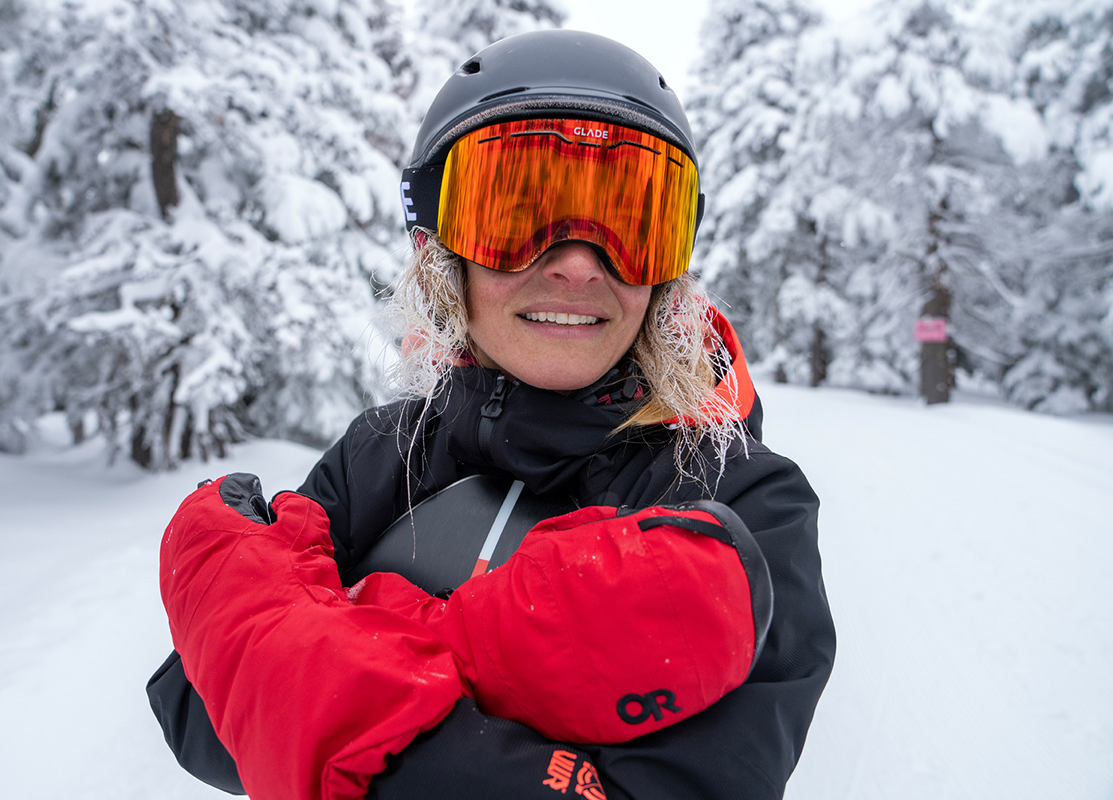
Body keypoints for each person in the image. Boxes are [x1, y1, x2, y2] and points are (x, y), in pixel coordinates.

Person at [148, 29, 835, 800]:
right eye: (518, 215)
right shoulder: (386, 449)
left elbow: (244, 685)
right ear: (446, 253)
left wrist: (331, 653)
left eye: (631, 222)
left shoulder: (740, 500)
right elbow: (193, 706)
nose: (578, 261)